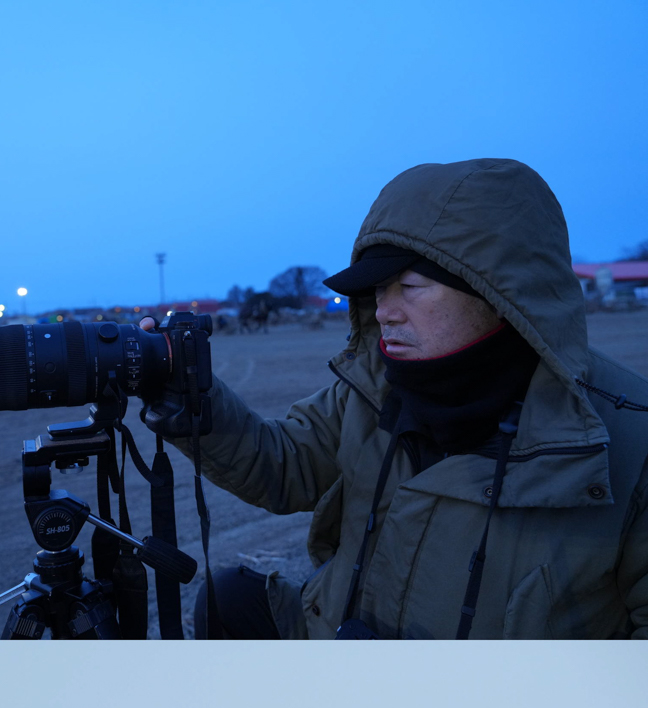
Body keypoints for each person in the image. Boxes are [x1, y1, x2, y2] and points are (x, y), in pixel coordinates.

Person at [139, 158, 648, 638]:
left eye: (410, 286)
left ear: (499, 293)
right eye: (379, 291)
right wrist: (189, 397)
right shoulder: (373, 387)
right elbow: (283, 465)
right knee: (226, 601)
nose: (386, 312)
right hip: (339, 647)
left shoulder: (622, 436)